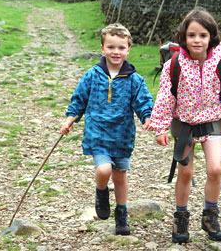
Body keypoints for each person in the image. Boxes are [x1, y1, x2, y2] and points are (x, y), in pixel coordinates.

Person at [149, 7, 221, 243]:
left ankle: (210, 215)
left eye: (202, 35)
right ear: (183, 37)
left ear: (211, 37)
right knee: (186, 172)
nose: (197, 40)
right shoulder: (175, 64)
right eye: (192, 35)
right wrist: (161, 126)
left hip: (212, 122)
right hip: (184, 125)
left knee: (215, 169)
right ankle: (181, 216)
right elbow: (165, 96)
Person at [60, 23, 153, 235]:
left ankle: (122, 214)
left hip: (122, 136)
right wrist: (69, 120)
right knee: (104, 169)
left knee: (120, 176)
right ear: (102, 48)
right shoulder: (92, 75)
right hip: (98, 133)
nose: (116, 52)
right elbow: (79, 101)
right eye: (111, 47)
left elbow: (143, 101)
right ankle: (101, 191)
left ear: (128, 49)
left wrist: (147, 117)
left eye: (121, 47)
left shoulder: (135, 80)